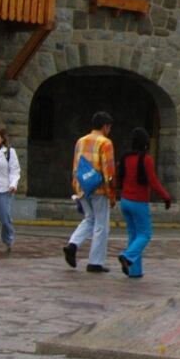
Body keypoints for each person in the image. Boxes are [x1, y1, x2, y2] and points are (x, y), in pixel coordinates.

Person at [114, 127, 171, 278]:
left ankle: (135, 271)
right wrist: (166, 196)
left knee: (133, 235)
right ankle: (127, 256)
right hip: (138, 202)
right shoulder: (146, 159)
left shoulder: (125, 158)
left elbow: (118, 176)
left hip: (125, 201)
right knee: (145, 234)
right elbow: (153, 182)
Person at [63, 111, 115, 273]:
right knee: (101, 225)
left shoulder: (81, 141)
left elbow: (76, 165)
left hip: (83, 187)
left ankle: (73, 244)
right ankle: (95, 262)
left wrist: (76, 185)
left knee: (89, 219)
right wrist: (111, 194)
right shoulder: (106, 143)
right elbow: (108, 171)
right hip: (99, 188)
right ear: (105, 126)